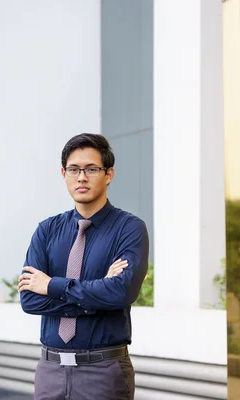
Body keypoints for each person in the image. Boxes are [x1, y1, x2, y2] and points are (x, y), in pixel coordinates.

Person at [18, 133, 149, 400]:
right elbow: (30, 299)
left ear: (108, 174)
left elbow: (121, 293)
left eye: (91, 169)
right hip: (50, 370)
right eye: (74, 170)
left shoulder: (129, 229)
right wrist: (97, 296)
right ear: (63, 173)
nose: (81, 177)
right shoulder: (47, 230)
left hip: (103, 371)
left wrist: (51, 286)